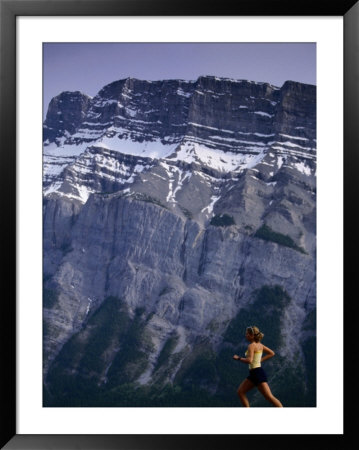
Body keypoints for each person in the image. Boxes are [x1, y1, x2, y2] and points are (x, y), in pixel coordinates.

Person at [233, 326, 283, 407]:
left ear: (252, 335)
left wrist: (238, 358)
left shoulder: (251, 346)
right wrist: (260, 360)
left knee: (269, 397)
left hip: (257, 373)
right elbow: (272, 353)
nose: (246, 335)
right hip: (255, 373)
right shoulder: (260, 345)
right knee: (240, 392)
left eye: (247, 334)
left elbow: (249, 360)